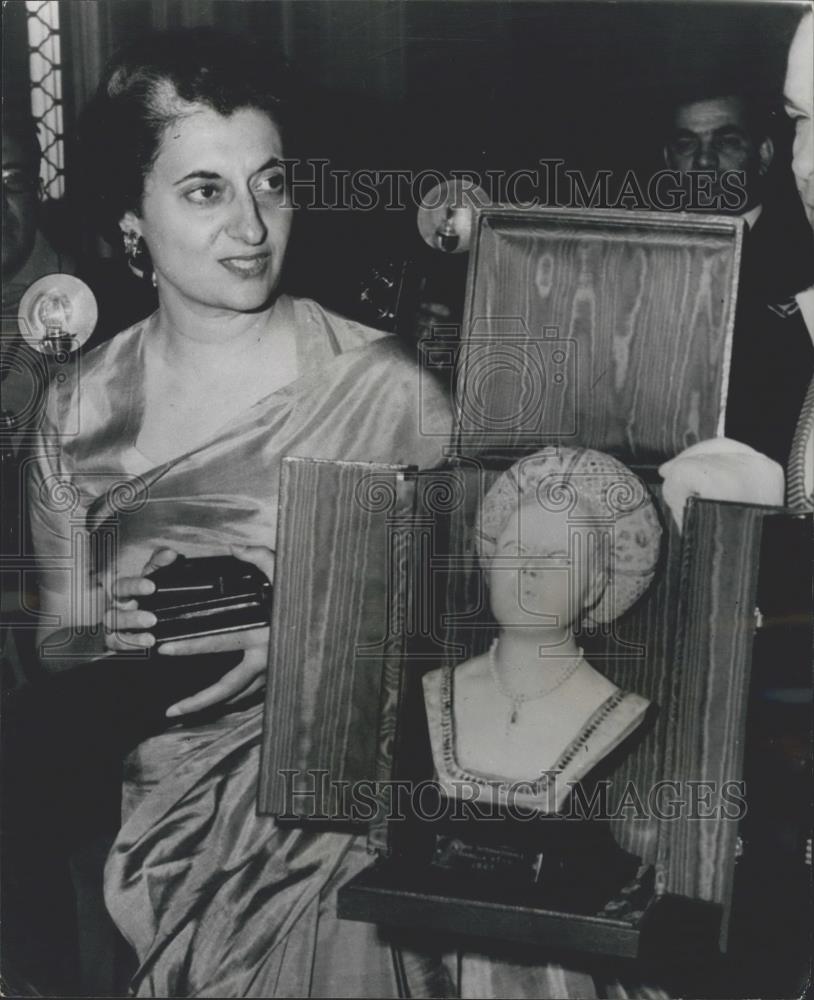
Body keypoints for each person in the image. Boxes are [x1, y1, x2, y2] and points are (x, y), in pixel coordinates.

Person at [3, 28, 453, 997]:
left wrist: (318, 625)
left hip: (346, 823)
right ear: (132, 219)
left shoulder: (389, 392)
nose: (251, 224)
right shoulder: (77, 406)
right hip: (158, 822)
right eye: (205, 190)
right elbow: (59, 642)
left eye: (271, 182)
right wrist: (105, 631)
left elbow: (482, 637)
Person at [423, 447, 661, 813]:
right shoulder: (433, 693)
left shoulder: (616, 712)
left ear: (595, 587)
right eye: (515, 548)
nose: (529, 568)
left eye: (557, 557)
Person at [662, 91, 814, 467]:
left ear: (763, 155)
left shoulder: (805, 258)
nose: (703, 160)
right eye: (686, 144)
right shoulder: (637, 262)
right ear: (668, 160)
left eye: (727, 142)